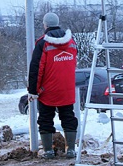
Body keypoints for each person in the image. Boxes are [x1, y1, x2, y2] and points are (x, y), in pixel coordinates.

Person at [27, 12, 78, 159]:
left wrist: (33, 90)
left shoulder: (43, 43)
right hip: (67, 90)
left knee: (45, 119)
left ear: (45, 25)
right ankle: (71, 150)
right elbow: (73, 64)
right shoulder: (72, 42)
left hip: (48, 90)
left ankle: (48, 151)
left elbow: (36, 69)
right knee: (68, 117)